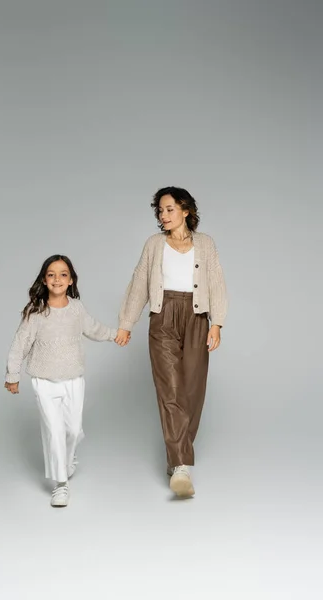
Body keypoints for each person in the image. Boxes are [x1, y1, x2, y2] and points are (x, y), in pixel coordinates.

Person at [115, 186, 228, 499]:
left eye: (169, 209)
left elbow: (217, 282)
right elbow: (139, 281)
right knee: (171, 389)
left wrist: (216, 323)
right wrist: (127, 323)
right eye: (160, 211)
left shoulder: (205, 244)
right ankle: (181, 466)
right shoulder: (154, 244)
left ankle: (177, 451)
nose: (163, 216)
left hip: (197, 317)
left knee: (193, 388)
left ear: (185, 210)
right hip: (163, 316)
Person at [4, 254, 125, 507]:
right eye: (51, 274)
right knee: (55, 431)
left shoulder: (77, 309)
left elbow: (93, 328)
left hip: (73, 379)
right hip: (44, 381)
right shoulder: (36, 313)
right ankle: (61, 485)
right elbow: (19, 345)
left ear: (71, 280)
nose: (57, 279)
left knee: (72, 429)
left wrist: (115, 335)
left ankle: (68, 461)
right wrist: (12, 375)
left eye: (62, 274)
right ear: (44, 280)